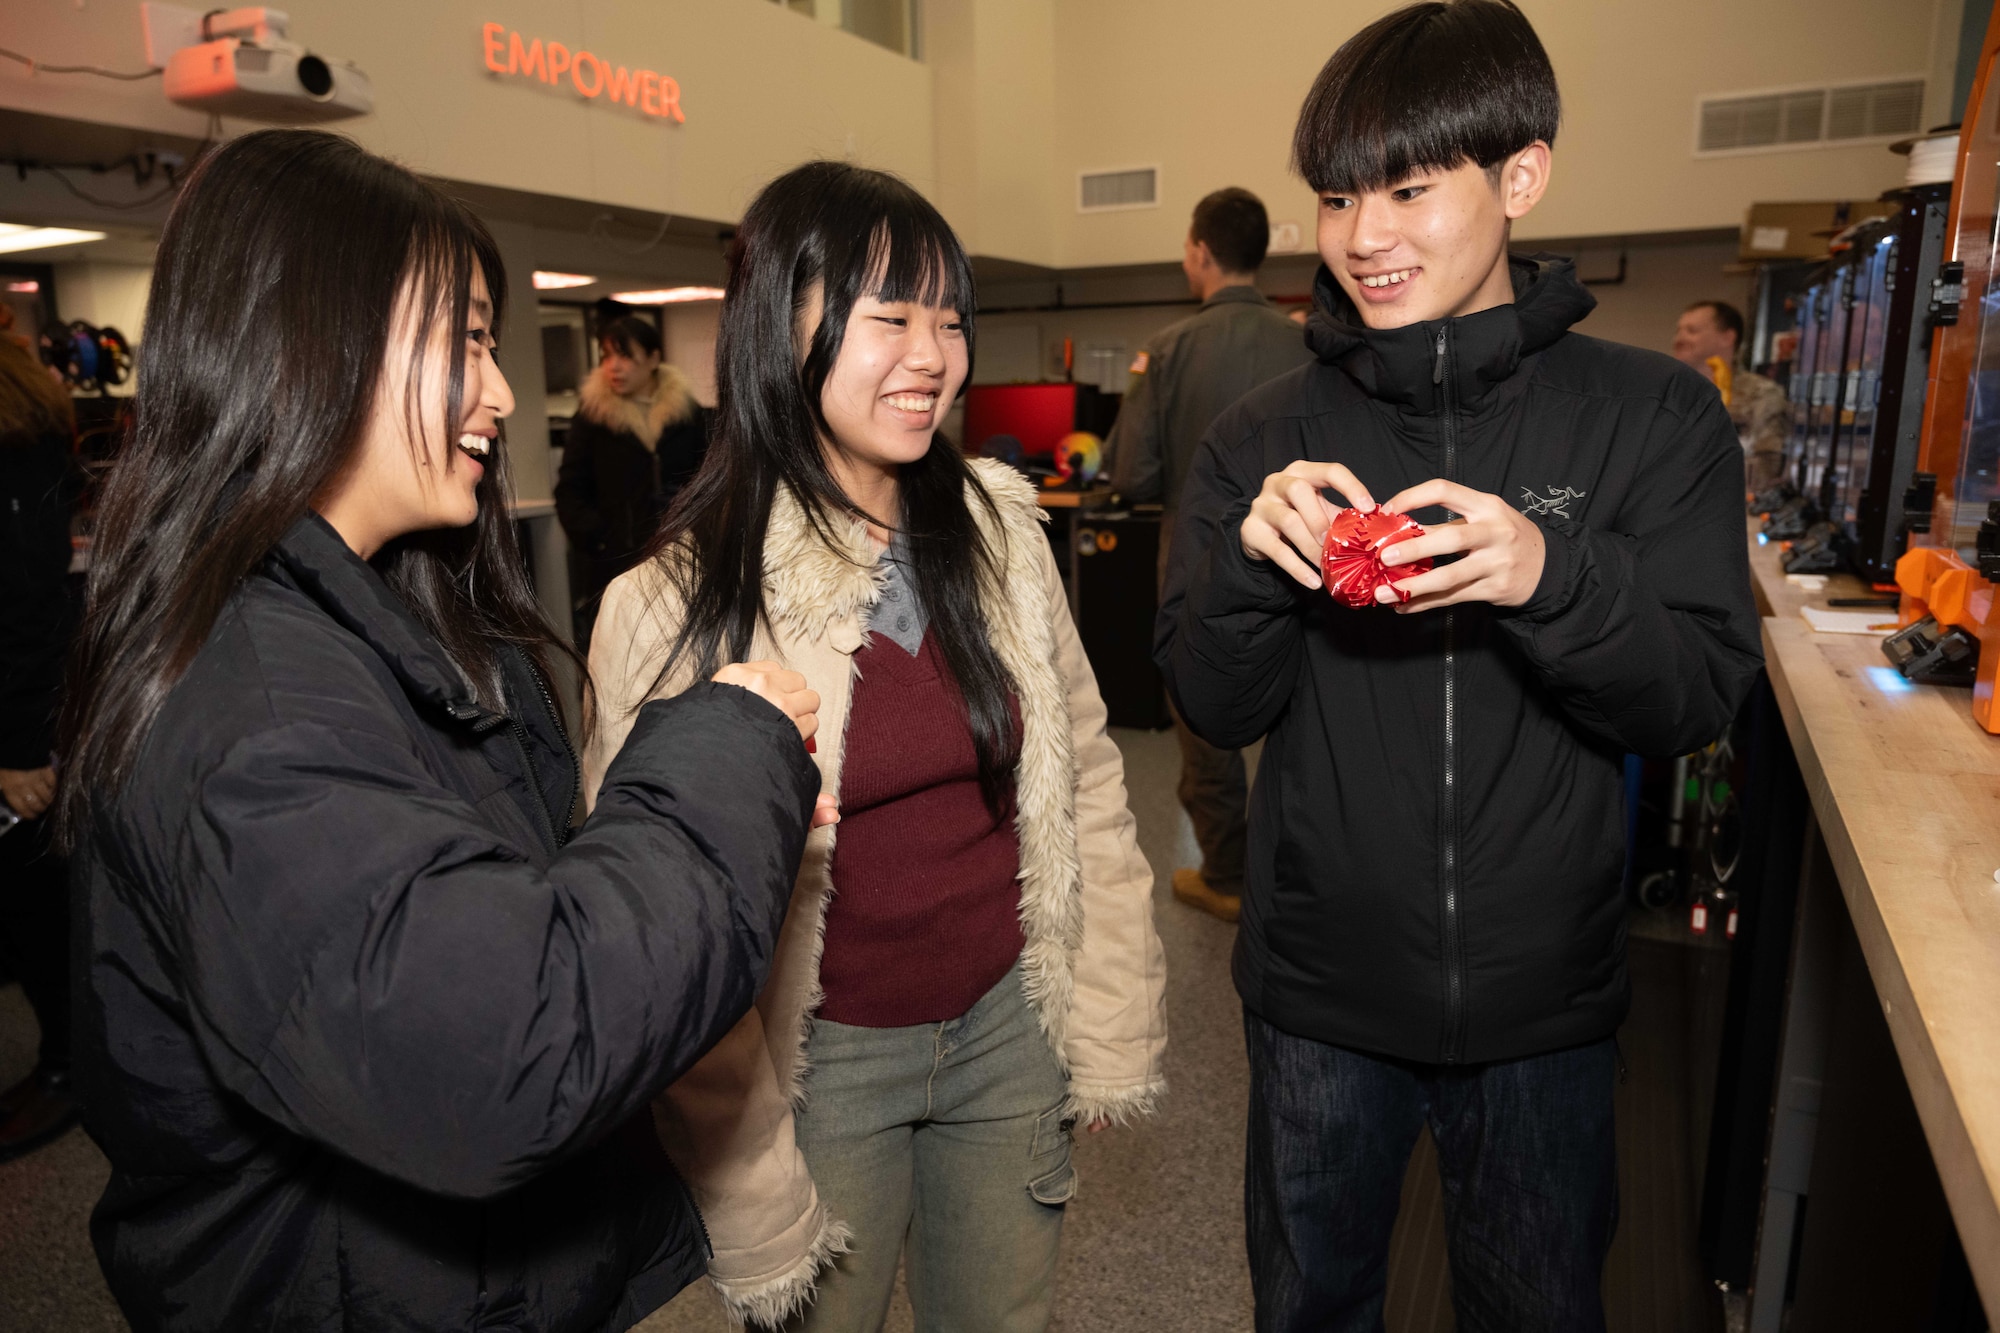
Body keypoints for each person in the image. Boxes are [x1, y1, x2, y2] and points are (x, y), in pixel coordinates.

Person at [59, 129, 838, 1333]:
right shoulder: (256, 710)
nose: (502, 391)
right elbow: (506, 1046)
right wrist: (725, 750)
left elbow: (491, 902)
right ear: (316, 337)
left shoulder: (392, 620)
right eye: (465, 340)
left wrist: (702, 772)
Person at [1155, 4, 1762, 1329]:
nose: (1364, 235)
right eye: (1335, 197)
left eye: (1410, 188)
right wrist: (1259, 569)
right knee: (1313, 1307)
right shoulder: (1265, 434)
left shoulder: (1650, 416)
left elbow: (1698, 693)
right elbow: (1211, 701)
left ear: (1521, 177)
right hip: (1317, 1000)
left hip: (1544, 1007)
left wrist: (1553, 574)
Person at [585, 161, 1167, 1331]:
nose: (931, 355)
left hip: (1009, 1027)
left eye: (948, 319)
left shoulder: (1000, 526)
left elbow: (1086, 774)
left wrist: (1109, 1016)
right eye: (888, 315)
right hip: (820, 1067)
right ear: (776, 328)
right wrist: (741, 1175)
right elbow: (654, 938)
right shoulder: (674, 603)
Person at [1106, 187, 1313, 926]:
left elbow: (1133, 475)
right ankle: (1303, 873)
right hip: (1310, 556)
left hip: (1197, 556)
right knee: (1308, 704)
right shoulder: (1309, 342)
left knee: (1204, 712)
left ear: (1199, 250)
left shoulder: (1165, 350)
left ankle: (1226, 869)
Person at [0, 333, 82, 1161]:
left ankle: (67, 1067)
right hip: (24, 719)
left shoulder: (18, 427)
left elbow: (27, 605)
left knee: (37, 910)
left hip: (20, 729)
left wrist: (23, 750)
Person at [555, 313, 709, 642]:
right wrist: (600, 539)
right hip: (614, 563)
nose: (614, 366)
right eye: (607, 356)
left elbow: (707, 478)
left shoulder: (688, 414)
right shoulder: (593, 417)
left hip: (678, 558)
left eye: (625, 355)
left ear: (653, 358)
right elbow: (569, 489)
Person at [1673, 298, 1788, 493]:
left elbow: (1768, 466)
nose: (1679, 339)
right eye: (1679, 330)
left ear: (1727, 338)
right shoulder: (1669, 393)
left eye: (1692, 331)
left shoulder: (1761, 395)